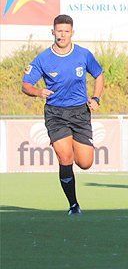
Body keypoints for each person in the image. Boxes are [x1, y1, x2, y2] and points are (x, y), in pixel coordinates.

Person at [21, 14, 105, 216]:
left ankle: (76, 146)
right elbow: (25, 85)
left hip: (80, 113)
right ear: (53, 32)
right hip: (56, 114)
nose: (62, 35)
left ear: (72, 33)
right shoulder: (43, 58)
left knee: (85, 163)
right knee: (65, 156)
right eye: (59, 31)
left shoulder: (83, 54)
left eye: (66, 31)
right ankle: (73, 205)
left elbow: (99, 75)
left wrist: (96, 98)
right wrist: (38, 92)